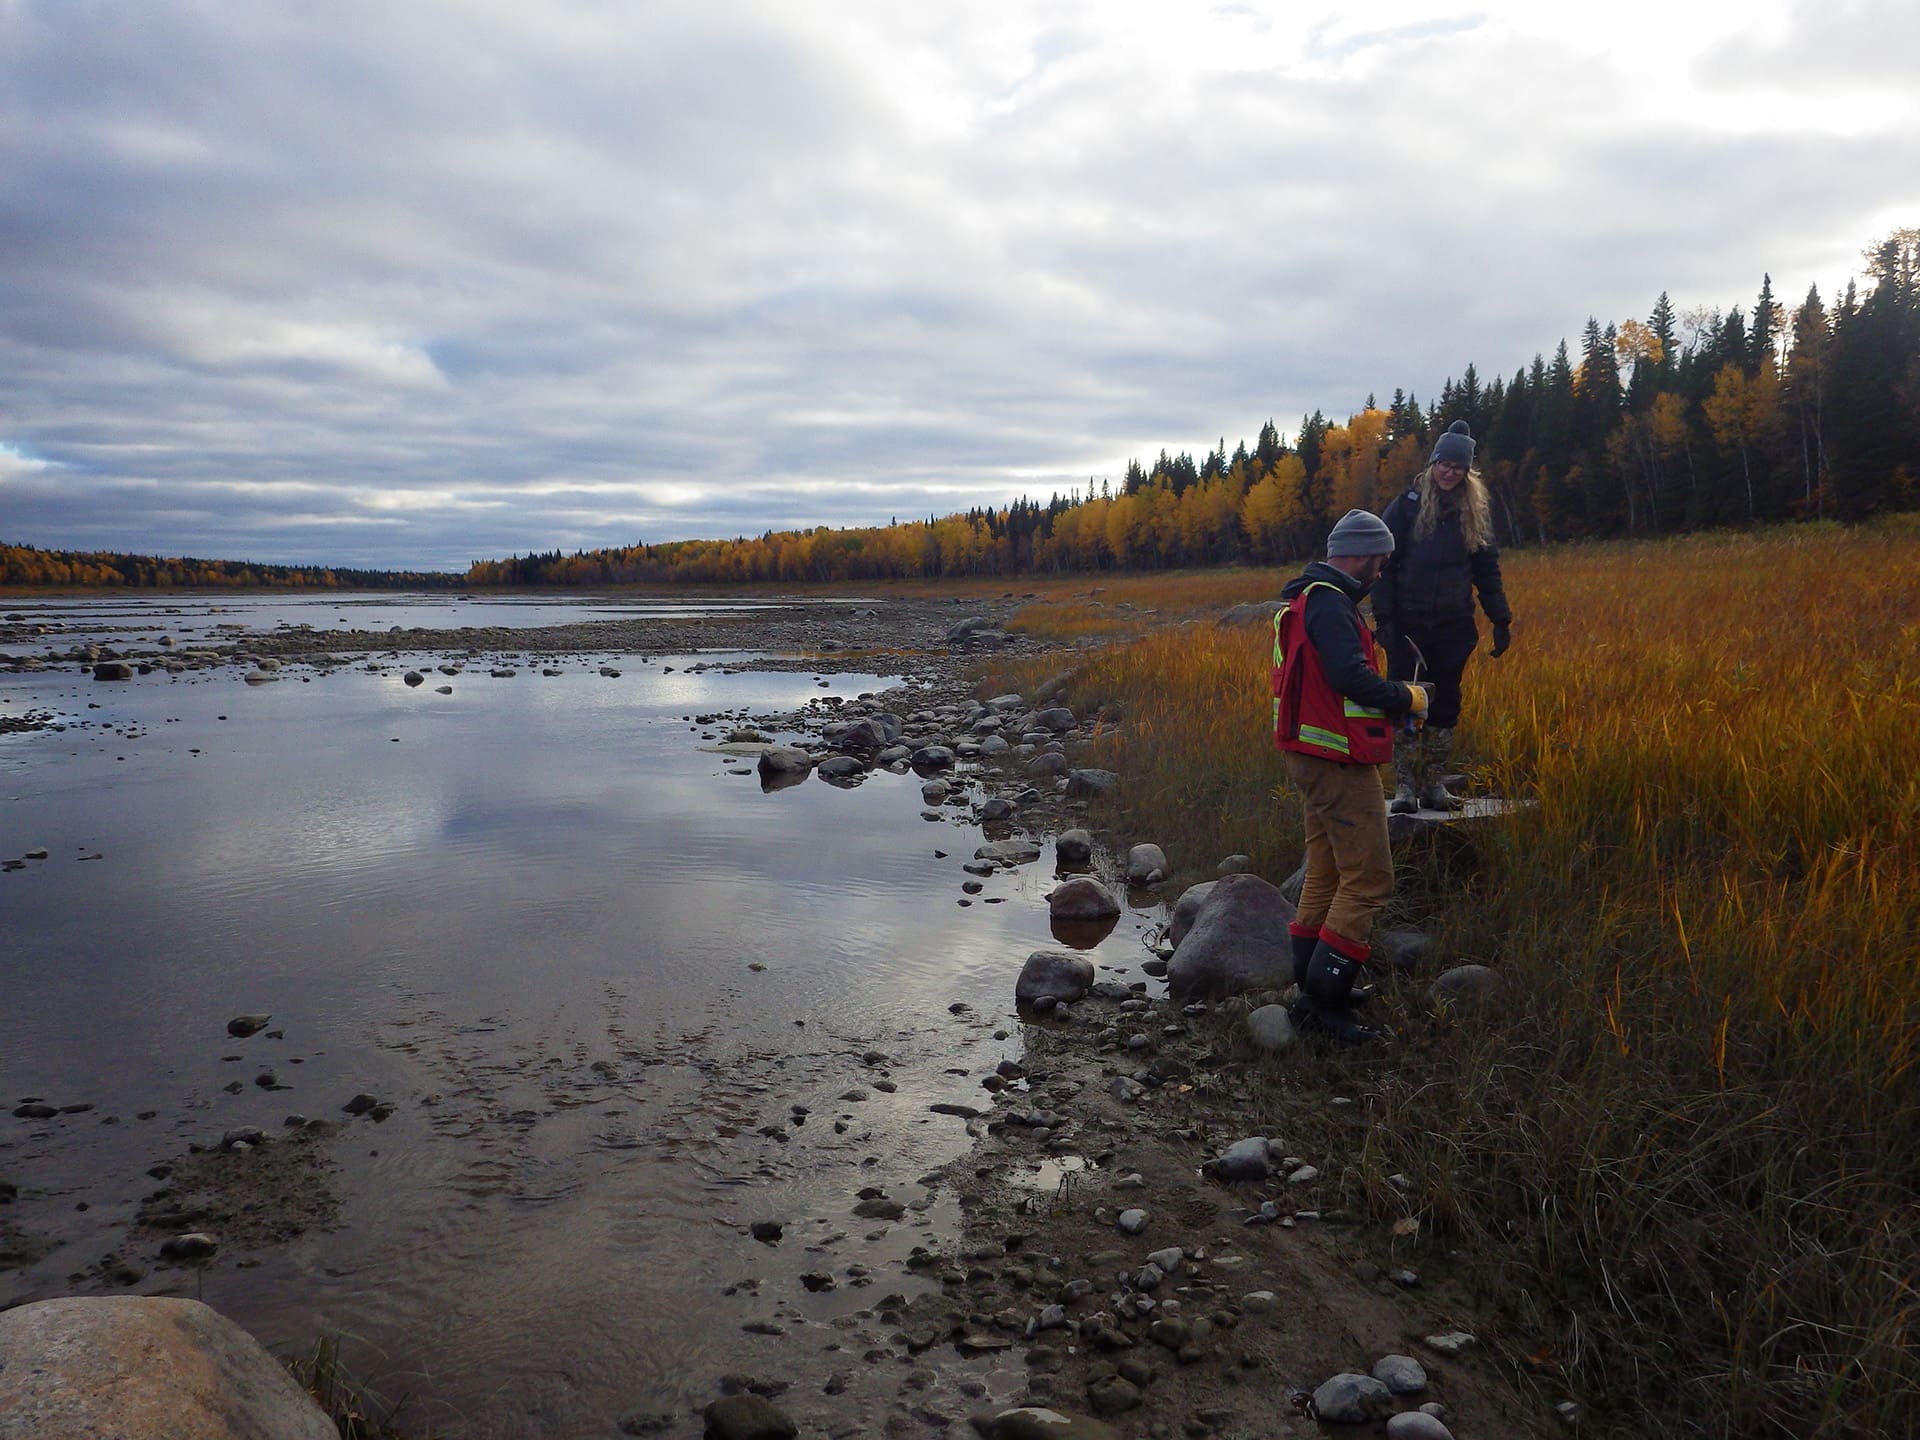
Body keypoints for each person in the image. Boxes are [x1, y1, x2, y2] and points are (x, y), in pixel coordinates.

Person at [1271, 509, 1431, 1044]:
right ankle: (1324, 1005)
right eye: (1380, 563)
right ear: (1361, 556)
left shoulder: (1306, 599)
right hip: (1336, 759)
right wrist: (1407, 698)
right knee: (1368, 879)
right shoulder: (1331, 604)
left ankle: (1313, 985)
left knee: (1326, 869)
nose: (1381, 573)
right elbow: (1349, 678)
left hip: (1309, 753)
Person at [1370, 420, 1513, 814]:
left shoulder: (1475, 513)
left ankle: (1434, 784)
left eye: (1458, 467)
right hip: (1408, 626)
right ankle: (1403, 788)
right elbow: (1380, 565)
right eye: (1444, 464)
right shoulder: (1405, 508)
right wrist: (1385, 620)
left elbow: (1487, 570)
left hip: (1454, 626)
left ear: (1467, 472)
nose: (1449, 472)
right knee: (1405, 700)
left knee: (1445, 701)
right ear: (1433, 464)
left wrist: (1500, 619)